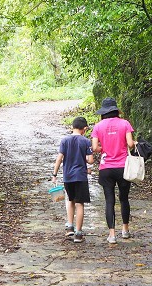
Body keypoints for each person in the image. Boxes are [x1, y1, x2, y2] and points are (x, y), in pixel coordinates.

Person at [91, 97, 135, 244]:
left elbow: (94, 148)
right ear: (116, 110)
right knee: (124, 198)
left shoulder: (98, 126)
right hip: (123, 167)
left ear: (103, 112)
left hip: (106, 168)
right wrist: (133, 143)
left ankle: (112, 235)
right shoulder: (125, 123)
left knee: (109, 200)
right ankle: (125, 230)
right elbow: (130, 144)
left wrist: (104, 148)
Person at [52, 116, 93, 243]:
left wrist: (54, 174)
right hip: (80, 176)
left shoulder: (65, 140)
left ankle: (69, 226)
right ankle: (78, 234)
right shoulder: (86, 141)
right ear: (84, 129)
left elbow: (59, 158)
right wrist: (85, 161)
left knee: (70, 200)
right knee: (80, 204)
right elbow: (90, 160)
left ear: (72, 127)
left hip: (67, 177)